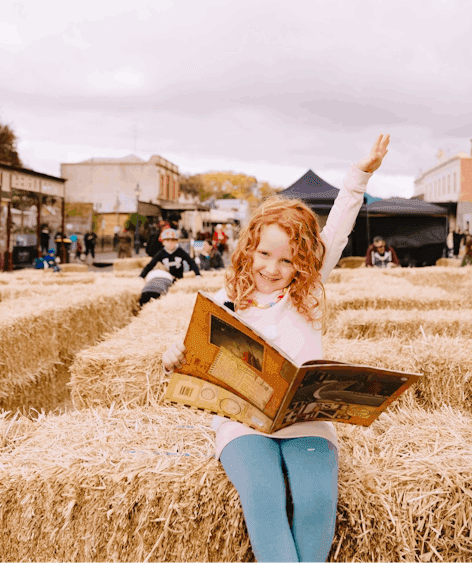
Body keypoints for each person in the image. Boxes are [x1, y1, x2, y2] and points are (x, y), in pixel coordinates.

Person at [162, 133, 390, 563]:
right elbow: (190, 349)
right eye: (265, 254)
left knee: (316, 502)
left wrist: (360, 175)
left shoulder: (306, 294)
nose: (272, 268)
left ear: (303, 262)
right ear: (249, 248)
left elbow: (338, 227)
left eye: (287, 261)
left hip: (305, 421)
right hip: (243, 425)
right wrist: (172, 355)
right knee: (264, 499)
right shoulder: (223, 302)